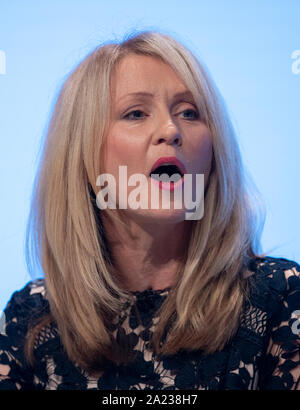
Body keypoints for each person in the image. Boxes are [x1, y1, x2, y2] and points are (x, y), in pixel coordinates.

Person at [0, 30, 299, 390]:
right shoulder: (31, 319)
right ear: (81, 153)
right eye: (136, 113)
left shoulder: (280, 299)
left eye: (189, 112)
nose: (171, 129)